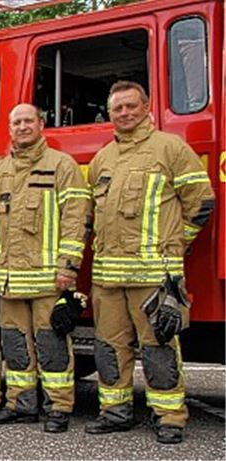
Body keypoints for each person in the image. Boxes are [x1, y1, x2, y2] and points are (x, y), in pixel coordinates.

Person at [84, 81, 214, 444]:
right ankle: (115, 412)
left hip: (154, 276)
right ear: (110, 114)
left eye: (130, 106)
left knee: (158, 347)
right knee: (109, 347)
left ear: (146, 107)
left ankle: (170, 417)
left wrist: (175, 245)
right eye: (117, 109)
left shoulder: (170, 149)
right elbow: (91, 215)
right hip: (108, 277)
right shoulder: (102, 159)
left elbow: (201, 203)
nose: (124, 113)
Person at [0, 103, 89, 432]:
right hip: (9, 279)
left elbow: (75, 220)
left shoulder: (61, 166)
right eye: (16, 123)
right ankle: (21, 404)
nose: (22, 127)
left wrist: (68, 267)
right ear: (9, 129)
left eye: (28, 121)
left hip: (48, 278)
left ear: (41, 124)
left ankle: (58, 407)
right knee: (15, 344)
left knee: (51, 343)